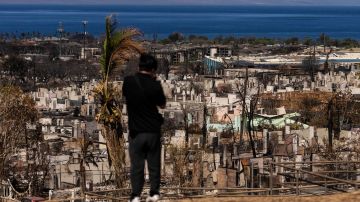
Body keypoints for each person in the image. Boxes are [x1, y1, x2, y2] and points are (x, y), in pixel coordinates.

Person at [123, 53, 166, 202]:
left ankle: (135, 195)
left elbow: (126, 95)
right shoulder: (155, 85)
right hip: (153, 131)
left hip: (136, 132)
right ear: (153, 69)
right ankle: (154, 193)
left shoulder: (128, 82)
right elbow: (162, 104)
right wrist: (153, 83)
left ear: (139, 67)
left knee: (137, 166)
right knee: (154, 164)